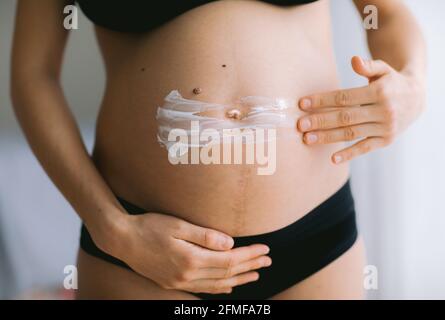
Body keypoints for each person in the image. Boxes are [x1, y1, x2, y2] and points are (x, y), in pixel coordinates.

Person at [11, 0, 426, 299]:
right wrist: (113, 230)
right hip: (140, 253)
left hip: (316, 243)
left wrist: (411, 85)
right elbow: (33, 76)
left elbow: (387, 13)